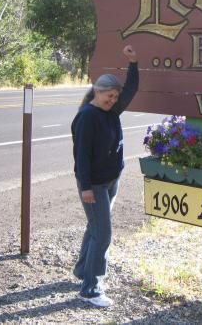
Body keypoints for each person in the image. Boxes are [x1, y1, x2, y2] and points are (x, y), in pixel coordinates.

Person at [71, 44, 138, 307]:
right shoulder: (88, 117)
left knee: (95, 228)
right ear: (97, 93)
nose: (112, 101)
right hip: (94, 185)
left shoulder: (111, 112)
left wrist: (133, 63)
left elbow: (131, 90)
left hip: (110, 181)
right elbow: (82, 157)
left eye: (114, 97)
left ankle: (81, 271)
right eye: (108, 96)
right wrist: (86, 188)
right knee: (103, 234)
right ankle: (91, 289)